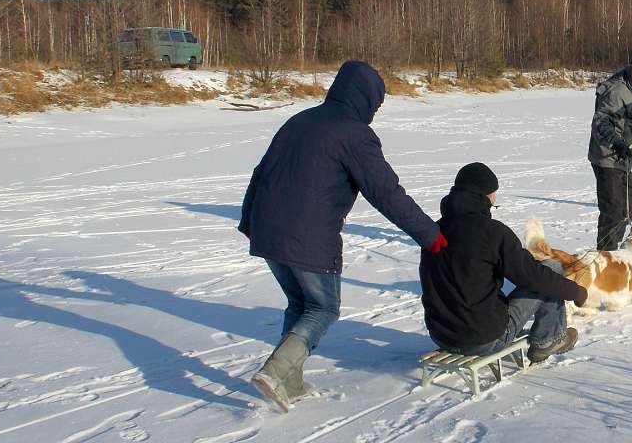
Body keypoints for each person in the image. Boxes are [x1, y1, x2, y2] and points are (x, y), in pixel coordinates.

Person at [239, 59, 446, 411]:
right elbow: (386, 193)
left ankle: (289, 380)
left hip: (268, 231)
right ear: (366, 98)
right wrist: (432, 236)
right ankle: (276, 371)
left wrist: (249, 222)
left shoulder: (300, 120)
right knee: (323, 308)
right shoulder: (354, 134)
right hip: (308, 236)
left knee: (300, 305)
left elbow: (261, 173)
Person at [420, 162, 587, 363]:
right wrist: (576, 292)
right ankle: (549, 339)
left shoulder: (432, 230)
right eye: (494, 195)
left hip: (440, 334)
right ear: (486, 195)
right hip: (484, 339)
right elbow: (532, 276)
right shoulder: (492, 232)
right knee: (550, 269)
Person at [588, 49, 632, 250]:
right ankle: (605, 256)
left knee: (630, 207)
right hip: (607, 158)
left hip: (623, 159)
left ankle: (613, 249)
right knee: (614, 211)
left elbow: (631, 116)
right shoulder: (616, 90)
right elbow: (601, 121)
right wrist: (617, 142)